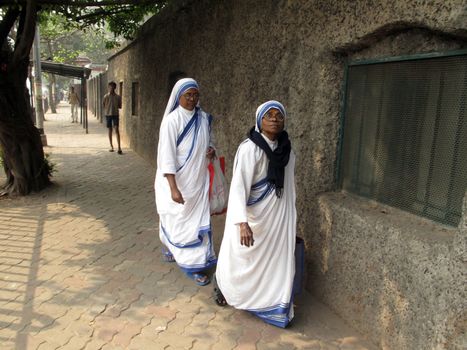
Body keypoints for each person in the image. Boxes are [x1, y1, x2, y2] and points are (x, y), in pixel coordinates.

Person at [215, 100, 296, 328]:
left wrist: (289, 217)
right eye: (268, 115)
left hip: (277, 218)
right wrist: (242, 223)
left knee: (275, 260)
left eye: (278, 116)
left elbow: (289, 187)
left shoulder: (288, 150)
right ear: (259, 120)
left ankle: (271, 303)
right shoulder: (249, 148)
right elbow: (239, 187)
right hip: (252, 218)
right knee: (243, 258)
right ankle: (227, 287)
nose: (274, 119)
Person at [154, 78, 217, 286]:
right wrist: (173, 188)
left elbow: (207, 142)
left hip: (198, 181)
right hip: (178, 182)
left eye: (195, 95)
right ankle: (180, 254)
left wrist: (210, 150)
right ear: (178, 96)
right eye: (187, 95)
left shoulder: (204, 118)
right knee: (177, 220)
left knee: (195, 223)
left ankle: (195, 265)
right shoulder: (171, 121)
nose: (192, 99)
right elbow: (167, 157)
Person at [103, 81, 123, 154]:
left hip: (115, 115)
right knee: (110, 130)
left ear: (115, 88)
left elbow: (120, 106)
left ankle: (119, 147)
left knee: (117, 129)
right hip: (108, 115)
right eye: (109, 87)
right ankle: (111, 146)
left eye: (112, 87)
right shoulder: (106, 96)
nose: (111, 88)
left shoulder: (118, 97)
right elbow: (104, 105)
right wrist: (108, 109)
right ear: (108, 87)